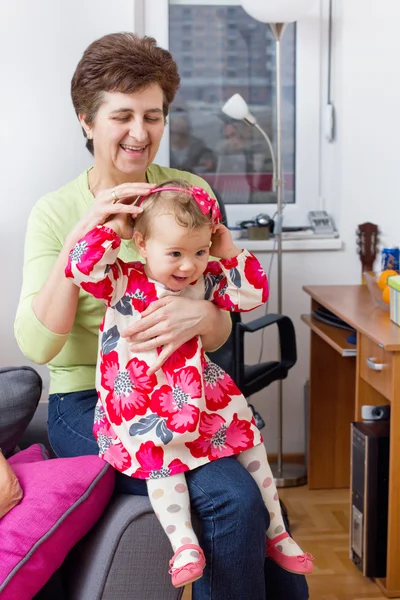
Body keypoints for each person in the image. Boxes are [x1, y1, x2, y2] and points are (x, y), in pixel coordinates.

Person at [14, 32, 309, 600]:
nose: (140, 132)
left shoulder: (190, 194)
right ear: (86, 121)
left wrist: (199, 317)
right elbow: (37, 346)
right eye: (122, 115)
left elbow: (225, 327)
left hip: (186, 390)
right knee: (232, 497)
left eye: (153, 115)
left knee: (255, 493)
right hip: (91, 404)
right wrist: (85, 231)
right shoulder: (56, 212)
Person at [65, 179, 313, 587]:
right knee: (160, 460)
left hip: (198, 394)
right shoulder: (124, 279)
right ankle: (184, 544)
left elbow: (253, 295)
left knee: (247, 438)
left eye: (198, 252)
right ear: (142, 245)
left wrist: (227, 250)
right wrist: (113, 229)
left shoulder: (205, 279)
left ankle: (278, 534)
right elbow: (80, 267)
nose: (187, 265)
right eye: (175, 253)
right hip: (141, 399)